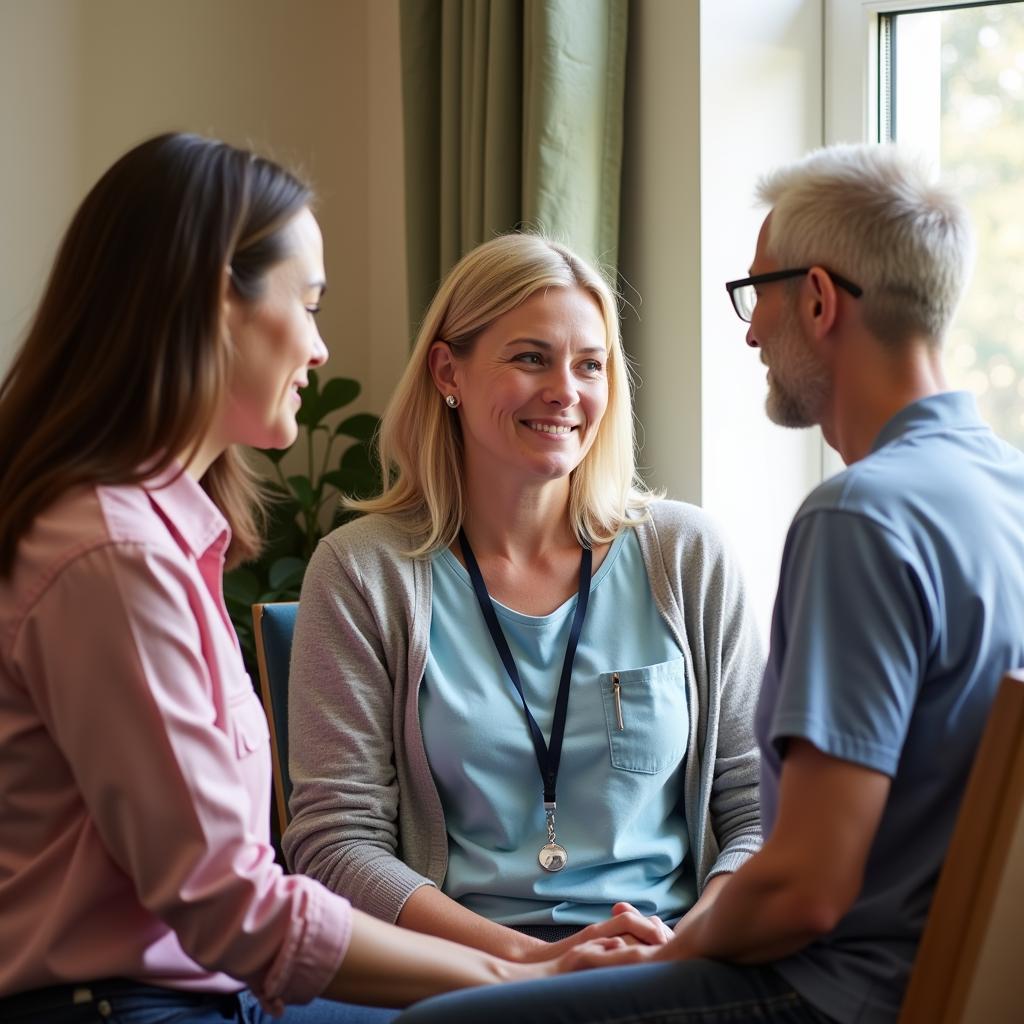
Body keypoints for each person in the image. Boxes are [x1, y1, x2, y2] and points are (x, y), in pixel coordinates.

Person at [388, 144, 1024, 1024]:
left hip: (840, 994)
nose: (752, 330)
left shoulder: (858, 517)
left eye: (756, 293)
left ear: (817, 299)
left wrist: (671, 946)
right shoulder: (1008, 493)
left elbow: (804, 888)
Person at [0, 133, 624, 1024]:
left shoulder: (153, 536)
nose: (323, 348)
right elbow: (233, 904)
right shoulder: (115, 556)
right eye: (310, 302)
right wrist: (515, 980)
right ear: (219, 297)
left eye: (590, 363)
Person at [283, 232, 765, 964]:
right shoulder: (361, 571)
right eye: (530, 357)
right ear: (449, 371)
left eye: (590, 365)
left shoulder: (687, 555)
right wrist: (527, 962)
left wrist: (683, 949)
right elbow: (334, 843)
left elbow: (760, 806)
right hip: (464, 973)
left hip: (665, 958)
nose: (565, 391)